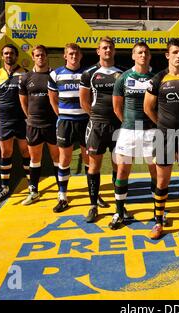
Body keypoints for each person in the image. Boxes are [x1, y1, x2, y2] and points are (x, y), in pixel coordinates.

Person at [144, 38, 179, 245]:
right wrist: (161, 125)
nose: (178, 56)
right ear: (167, 55)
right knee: (162, 181)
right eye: (174, 52)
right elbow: (148, 107)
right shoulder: (158, 79)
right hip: (164, 136)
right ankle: (158, 221)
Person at [110, 42, 157, 230]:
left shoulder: (156, 77)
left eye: (146, 52)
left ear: (150, 56)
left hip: (151, 131)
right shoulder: (123, 77)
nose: (143, 55)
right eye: (139, 52)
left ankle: (157, 212)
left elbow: (158, 105)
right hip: (129, 130)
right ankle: (119, 212)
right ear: (133, 56)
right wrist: (128, 124)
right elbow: (116, 107)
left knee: (156, 171)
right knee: (122, 170)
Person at [79, 36, 124, 222]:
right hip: (96, 125)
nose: (107, 50)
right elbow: (83, 101)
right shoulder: (89, 73)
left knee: (118, 166)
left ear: (114, 51)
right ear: (98, 51)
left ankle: (118, 206)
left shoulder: (122, 73)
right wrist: (96, 117)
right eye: (104, 48)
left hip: (117, 126)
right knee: (94, 166)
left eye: (110, 48)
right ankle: (93, 206)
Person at [48, 43, 89, 212]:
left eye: (76, 54)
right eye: (70, 54)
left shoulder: (87, 74)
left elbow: (90, 97)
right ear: (65, 56)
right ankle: (63, 196)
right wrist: (62, 115)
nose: (73, 56)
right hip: (65, 122)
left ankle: (93, 195)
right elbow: (53, 98)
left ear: (80, 56)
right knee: (64, 159)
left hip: (85, 121)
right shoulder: (55, 74)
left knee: (89, 159)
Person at [19, 45, 59, 205]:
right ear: (33, 57)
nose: (40, 57)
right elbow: (23, 101)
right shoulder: (26, 77)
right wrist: (30, 118)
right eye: (37, 55)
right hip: (34, 124)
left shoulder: (54, 75)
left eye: (42, 55)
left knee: (57, 158)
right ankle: (33, 191)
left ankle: (61, 191)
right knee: (35, 158)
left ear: (46, 56)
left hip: (53, 123)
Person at [0, 44, 30, 200]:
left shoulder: (25, 74)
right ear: (2, 56)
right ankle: (4, 187)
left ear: (16, 56)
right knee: (6, 153)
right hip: (4, 120)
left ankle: (31, 185)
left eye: (11, 53)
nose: (8, 56)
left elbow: (29, 98)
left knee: (26, 152)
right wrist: (4, 111)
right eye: (6, 53)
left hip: (23, 120)